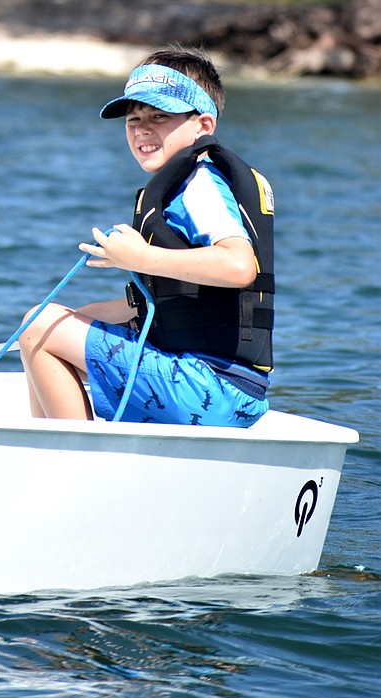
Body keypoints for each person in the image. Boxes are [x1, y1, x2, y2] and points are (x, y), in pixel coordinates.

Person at [18, 46, 274, 427]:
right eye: (133, 118)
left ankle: (72, 459)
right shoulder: (191, 184)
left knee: (39, 327)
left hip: (207, 387)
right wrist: (76, 320)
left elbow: (239, 267)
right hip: (231, 393)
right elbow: (170, 303)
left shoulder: (200, 187)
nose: (142, 128)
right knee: (47, 325)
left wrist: (138, 258)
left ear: (203, 126)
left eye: (160, 115)